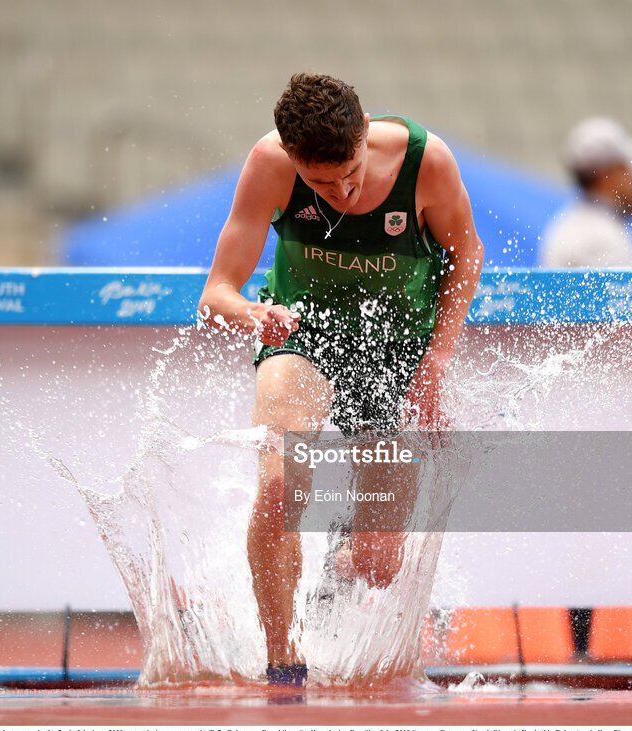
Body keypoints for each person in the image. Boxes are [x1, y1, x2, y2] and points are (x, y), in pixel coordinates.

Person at [198, 73, 483, 686]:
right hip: (303, 334)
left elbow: (468, 254)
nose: (341, 192)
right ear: (292, 159)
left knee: (380, 564)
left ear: (364, 137)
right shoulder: (268, 164)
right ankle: (283, 658)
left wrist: (436, 362)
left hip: (394, 345)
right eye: (320, 183)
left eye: (350, 173)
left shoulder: (424, 162)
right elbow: (216, 293)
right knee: (279, 487)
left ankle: (339, 559)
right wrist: (254, 313)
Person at [540, 116, 632, 267]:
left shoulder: (575, 223)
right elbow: (631, 290)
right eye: (628, 170)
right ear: (606, 176)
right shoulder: (602, 236)